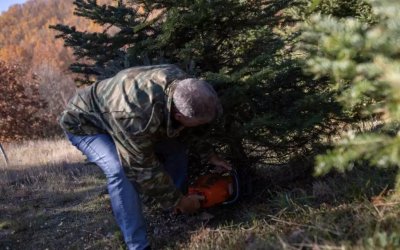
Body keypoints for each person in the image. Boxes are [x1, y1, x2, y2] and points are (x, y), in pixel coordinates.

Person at [59, 64, 231, 250]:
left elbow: (187, 131)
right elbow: (142, 168)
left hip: (119, 117)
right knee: (120, 171)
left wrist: (210, 155)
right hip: (84, 125)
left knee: (176, 147)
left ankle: (174, 212)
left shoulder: (182, 83)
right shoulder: (134, 116)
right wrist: (178, 200)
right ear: (180, 116)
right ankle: (137, 244)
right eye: (197, 122)